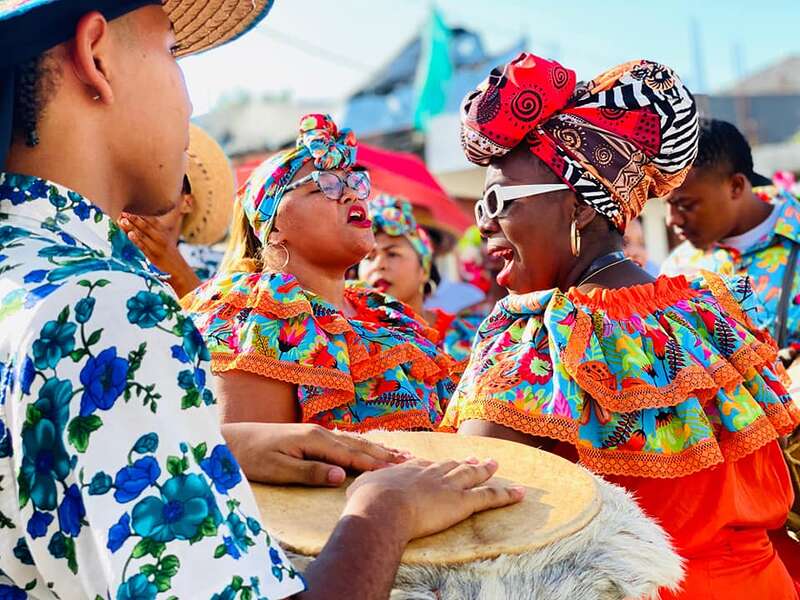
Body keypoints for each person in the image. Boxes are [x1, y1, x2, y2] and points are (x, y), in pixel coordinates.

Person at [0, 3, 522, 598]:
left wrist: (217, 445)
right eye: (172, 51)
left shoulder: (33, 271)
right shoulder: (104, 305)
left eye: (355, 183)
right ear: (96, 55)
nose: (190, 100)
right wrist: (386, 510)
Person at [441, 52, 800, 599]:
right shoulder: (713, 315)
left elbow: (468, 509)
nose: (484, 221)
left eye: (498, 199)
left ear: (579, 208)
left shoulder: (544, 333)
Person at [182, 114, 455, 432]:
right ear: (274, 227)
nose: (352, 195)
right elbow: (251, 469)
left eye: (354, 182)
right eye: (325, 185)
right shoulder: (254, 308)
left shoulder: (384, 311)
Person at [661, 119, 800, 364]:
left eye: (685, 205)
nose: (671, 220)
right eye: (667, 205)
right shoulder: (677, 267)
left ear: (735, 186)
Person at [119, 124, 234, 297]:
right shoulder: (106, 258)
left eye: (156, 185)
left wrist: (183, 277)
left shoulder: (223, 267)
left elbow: (227, 322)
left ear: (187, 202)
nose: (141, 198)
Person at [359, 193, 455, 343]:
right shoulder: (352, 334)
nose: (379, 265)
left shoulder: (463, 336)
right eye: (369, 257)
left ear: (424, 270)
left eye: (392, 254)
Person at [442, 225, 508, 365]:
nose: (491, 245)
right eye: (485, 239)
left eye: (504, 235)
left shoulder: (537, 308)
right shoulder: (465, 318)